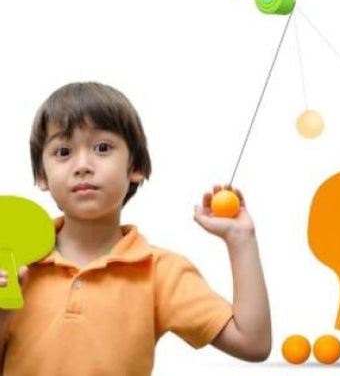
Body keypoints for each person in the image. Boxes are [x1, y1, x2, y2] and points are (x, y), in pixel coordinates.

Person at [0, 82, 271, 375]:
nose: (82, 165)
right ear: (42, 175)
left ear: (136, 167)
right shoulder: (14, 262)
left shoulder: (161, 271)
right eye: (63, 151)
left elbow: (253, 343)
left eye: (102, 148)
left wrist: (241, 240)